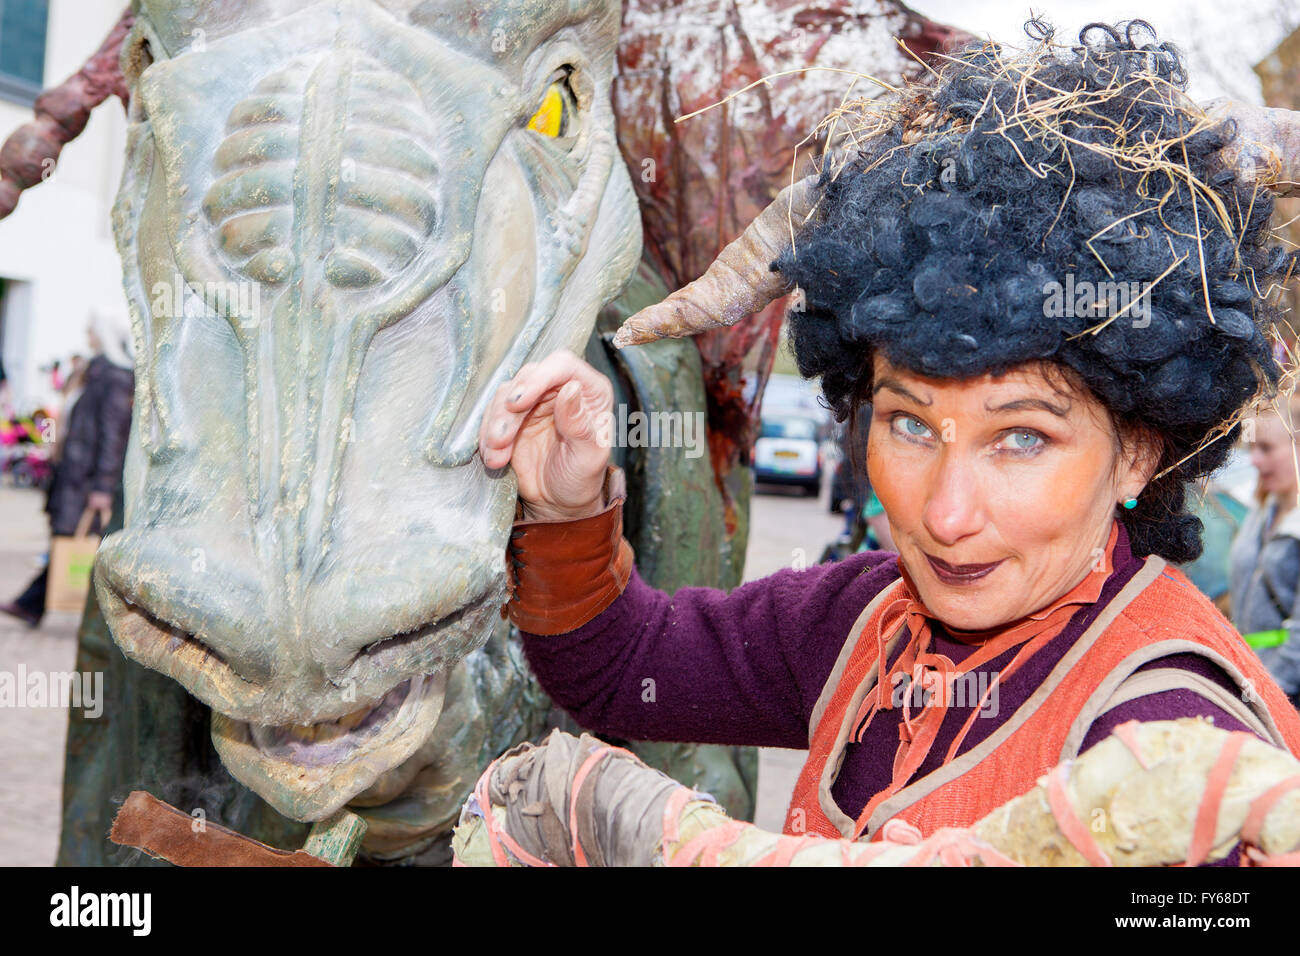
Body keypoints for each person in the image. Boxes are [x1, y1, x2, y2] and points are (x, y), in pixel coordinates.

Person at [479, 19, 1300, 862]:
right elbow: (627, 670)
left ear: (1138, 451)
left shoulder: (1173, 733)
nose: (944, 516)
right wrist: (568, 501)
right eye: (909, 424)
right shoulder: (866, 617)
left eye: (1020, 438)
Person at [1, 309, 133, 627]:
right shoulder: (92, 373)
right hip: (72, 476)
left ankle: (33, 604)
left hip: (85, 481)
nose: (87, 335)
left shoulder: (113, 377)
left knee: (72, 542)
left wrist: (102, 486)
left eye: (91, 330)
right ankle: (32, 605)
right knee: (66, 541)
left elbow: (112, 436)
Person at [1228, 397, 1300, 706]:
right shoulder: (1261, 507)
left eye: (1266, 448)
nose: (1255, 460)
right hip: (1247, 676)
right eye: (1251, 448)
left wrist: (1266, 700)